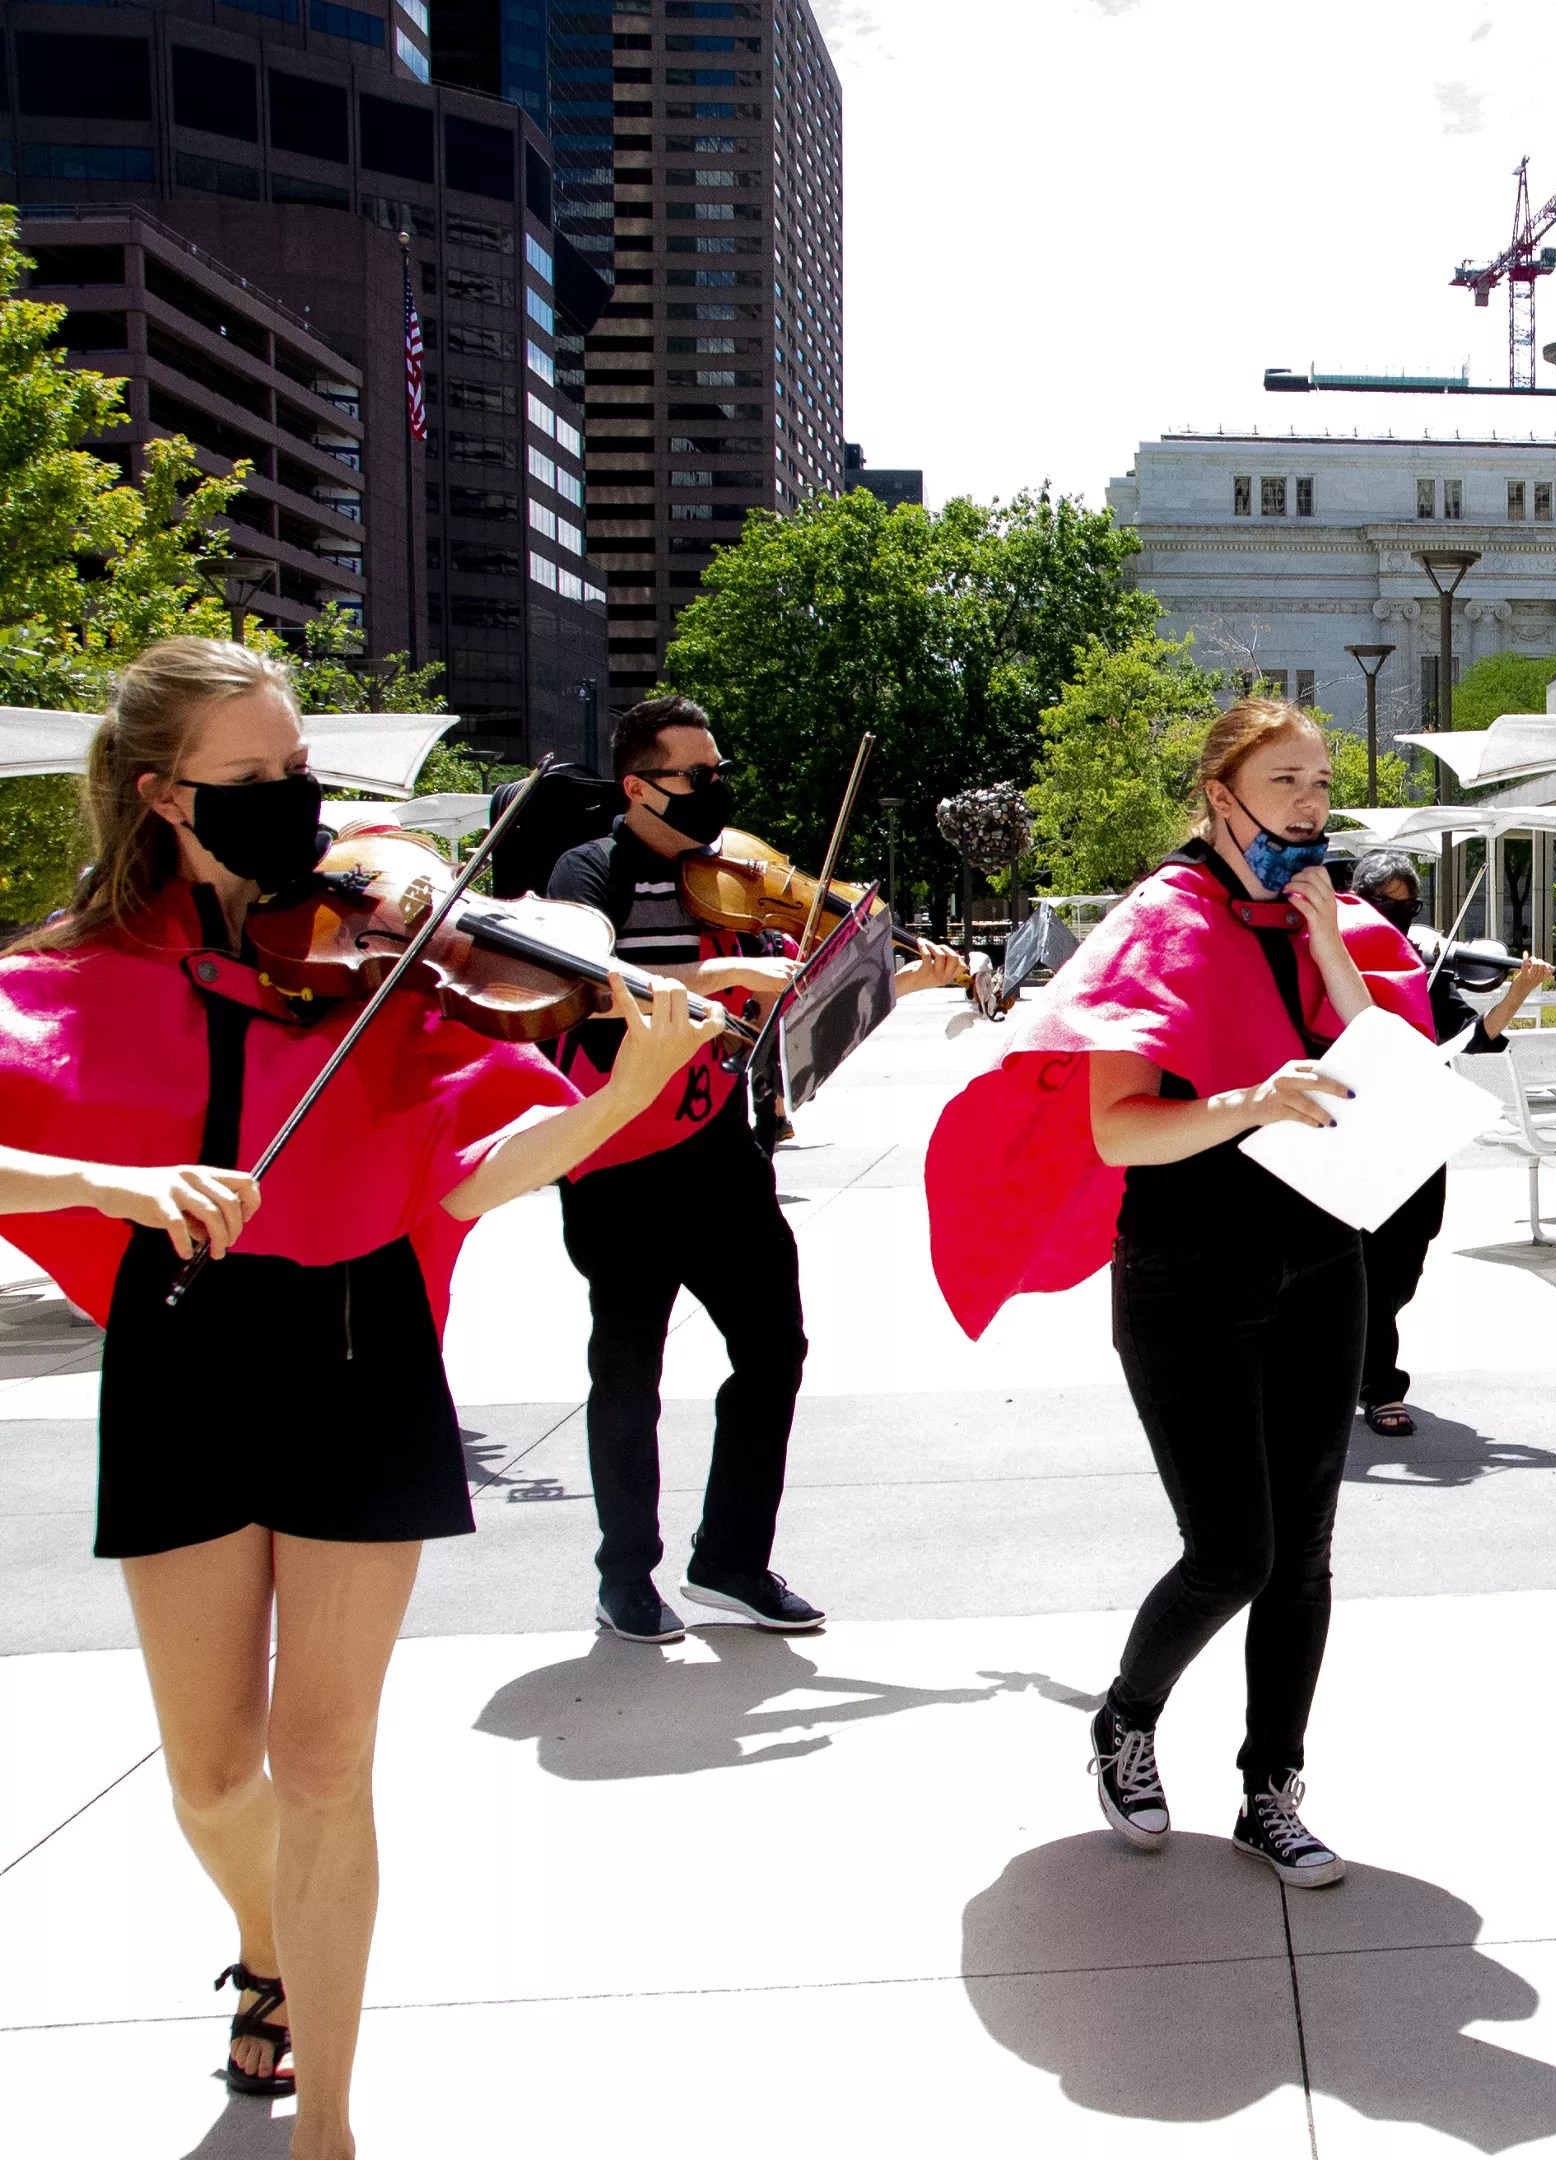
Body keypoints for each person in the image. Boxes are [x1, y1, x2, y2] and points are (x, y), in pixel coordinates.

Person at [0, 638, 723, 2155]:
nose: (301, 803)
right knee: (214, 1779)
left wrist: (618, 1089)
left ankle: (326, 2123)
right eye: (255, 778)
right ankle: (264, 1940)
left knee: (323, 1763)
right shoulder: (71, 974)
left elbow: (472, 1172)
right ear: (162, 794)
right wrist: (109, 1184)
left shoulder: (384, 960)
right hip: (186, 1342)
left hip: (359, 1337)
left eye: (300, 769)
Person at [922, 698, 1433, 1884]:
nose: (1310, 803)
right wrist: (1248, 1101)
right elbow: (1116, 1130)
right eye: (1286, 780)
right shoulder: (1162, 921)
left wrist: (1329, 952)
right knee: (1233, 1553)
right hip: (1189, 1270)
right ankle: (1126, 1718)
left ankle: (1271, 1791)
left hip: (1325, 1258)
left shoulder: (1332, 917)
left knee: (1304, 1554)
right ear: (1220, 795)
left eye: (1321, 782)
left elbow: (1393, 1072)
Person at [542, 695, 957, 1645]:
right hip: (617, 1156)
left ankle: (729, 1559)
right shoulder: (588, 872)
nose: (716, 788)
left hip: (719, 1150)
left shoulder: (735, 879)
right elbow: (581, 988)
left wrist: (898, 975)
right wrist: (725, 977)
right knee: (627, 1370)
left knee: (775, 1350)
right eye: (697, 774)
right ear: (638, 786)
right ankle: (624, 1575)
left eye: (719, 771)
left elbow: (793, 1010)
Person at [1342, 846, 1551, 1437]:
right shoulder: (1333, 959)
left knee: (1406, 1260)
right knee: (1371, 1262)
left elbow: (1473, 1037)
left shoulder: (1421, 969)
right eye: (1386, 905)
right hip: (1358, 1132)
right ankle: (1381, 1385)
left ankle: (1357, 1353)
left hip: (1420, 1131)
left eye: (1410, 908)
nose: (1399, 919)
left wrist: (1517, 992)